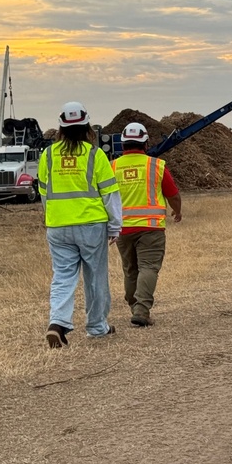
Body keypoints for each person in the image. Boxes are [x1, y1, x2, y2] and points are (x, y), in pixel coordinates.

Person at [37, 102, 121, 348]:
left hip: (58, 225)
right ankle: (96, 327)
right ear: (87, 126)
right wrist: (115, 226)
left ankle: (57, 322)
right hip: (91, 224)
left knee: (63, 275)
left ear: (60, 127)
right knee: (95, 276)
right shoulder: (95, 155)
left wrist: (52, 217)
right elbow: (110, 194)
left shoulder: (48, 155)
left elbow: (43, 192)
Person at [111, 122, 182, 327]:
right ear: (145, 142)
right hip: (151, 228)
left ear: (123, 143)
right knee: (148, 267)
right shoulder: (156, 165)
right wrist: (177, 211)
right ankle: (141, 310)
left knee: (130, 269)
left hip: (122, 229)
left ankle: (134, 306)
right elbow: (173, 194)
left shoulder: (112, 166)